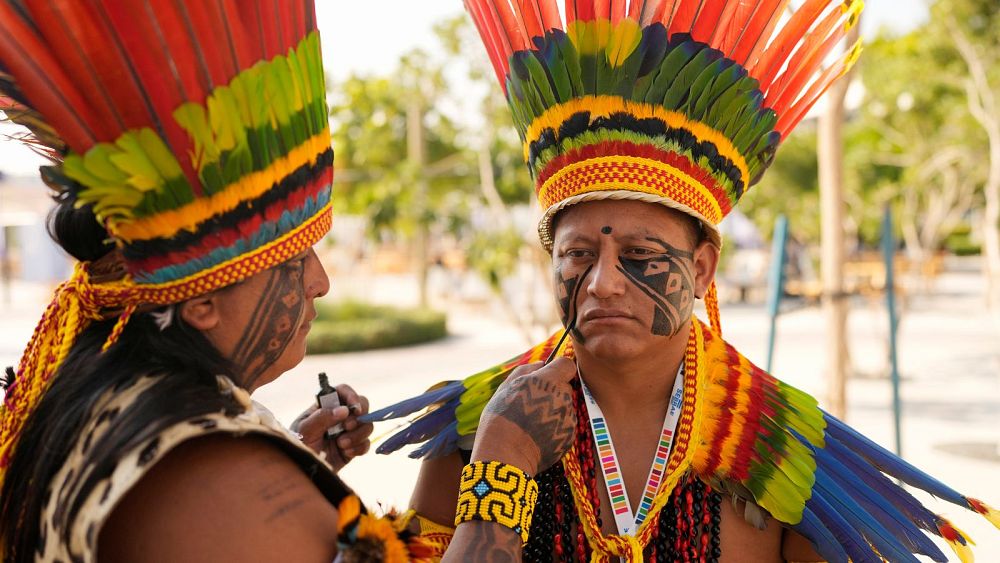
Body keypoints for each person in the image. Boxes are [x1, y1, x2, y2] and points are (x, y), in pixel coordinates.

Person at [365, 1, 1000, 561]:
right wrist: (503, 460)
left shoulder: (779, 450)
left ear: (701, 269)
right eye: (578, 253)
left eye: (640, 254)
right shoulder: (480, 426)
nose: (603, 283)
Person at [0, 2, 579, 561]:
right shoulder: (208, 478)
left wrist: (297, 459)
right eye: (295, 258)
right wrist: (506, 459)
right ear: (201, 299)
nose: (320, 282)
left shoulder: (122, 404)